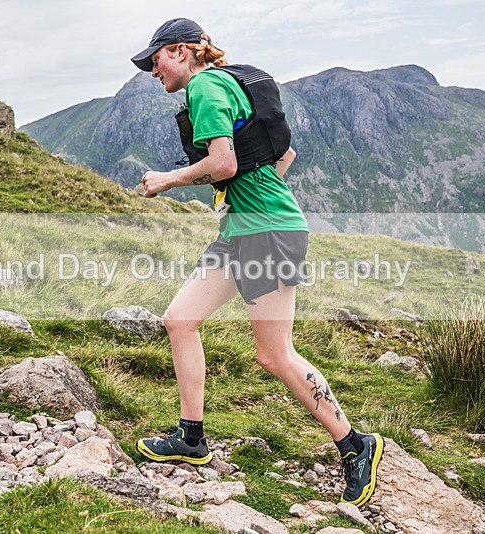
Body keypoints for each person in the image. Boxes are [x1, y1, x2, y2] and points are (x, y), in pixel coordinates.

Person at [131, 18, 384, 506]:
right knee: (179, 320)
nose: (152, 71)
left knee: (274, 354)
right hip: (244, 230)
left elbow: (223, 163)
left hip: (266, 232)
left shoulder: (206, 85)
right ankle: (191, 439)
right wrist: (248, 195)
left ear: (181, 51)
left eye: (156, 60)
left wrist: (167, 179)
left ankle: (355, 445)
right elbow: (283, 152)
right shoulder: (231, 82)